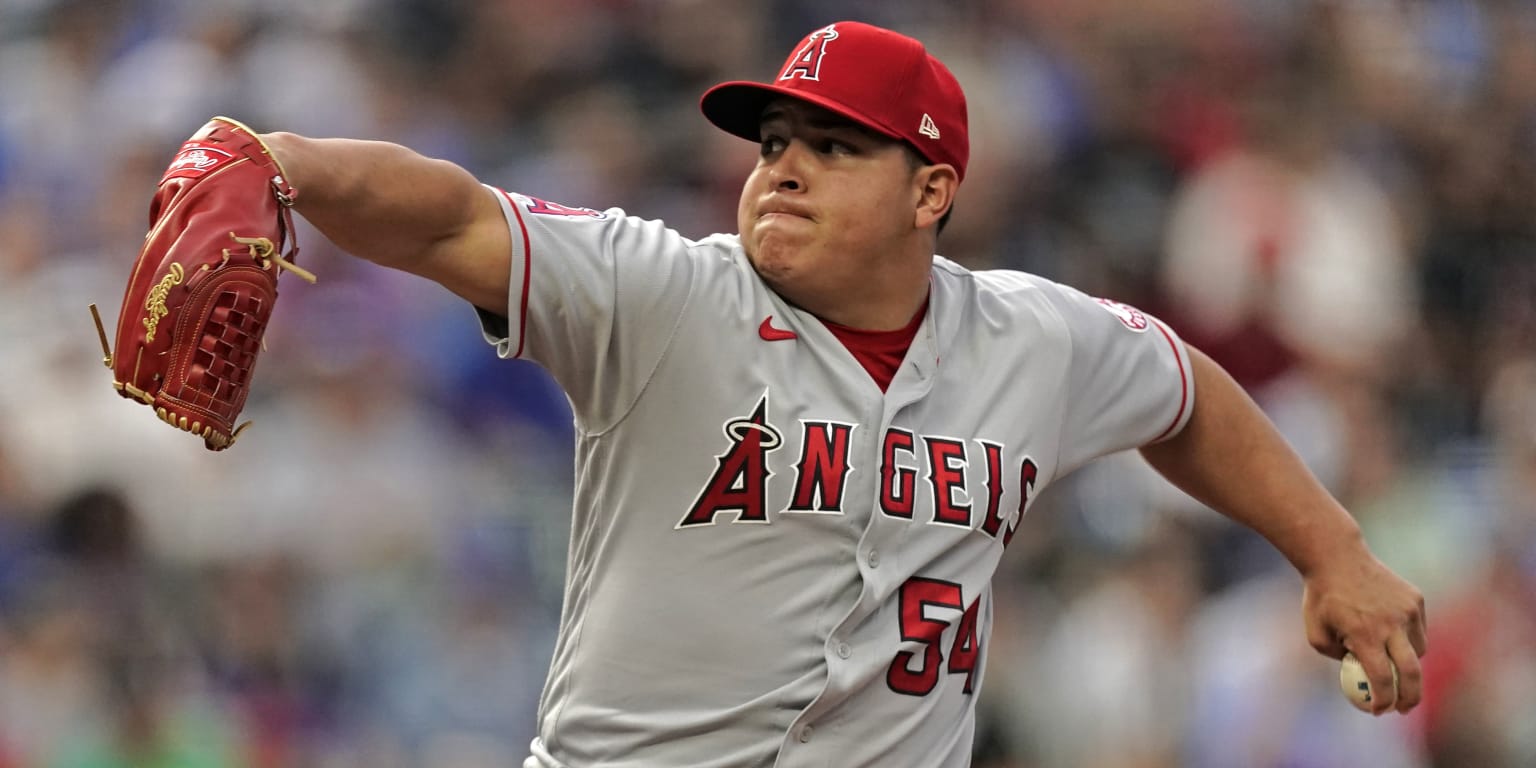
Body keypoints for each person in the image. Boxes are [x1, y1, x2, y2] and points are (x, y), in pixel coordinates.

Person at [250, 20, 1425, 768]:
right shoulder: (661, 294)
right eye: (773, 142)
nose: (783, 168)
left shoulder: (1033, 339)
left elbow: (1186, 394)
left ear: (932, 193)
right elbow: (454, 213)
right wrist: (280, 167)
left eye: (835, 144)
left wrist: (1335, 552)